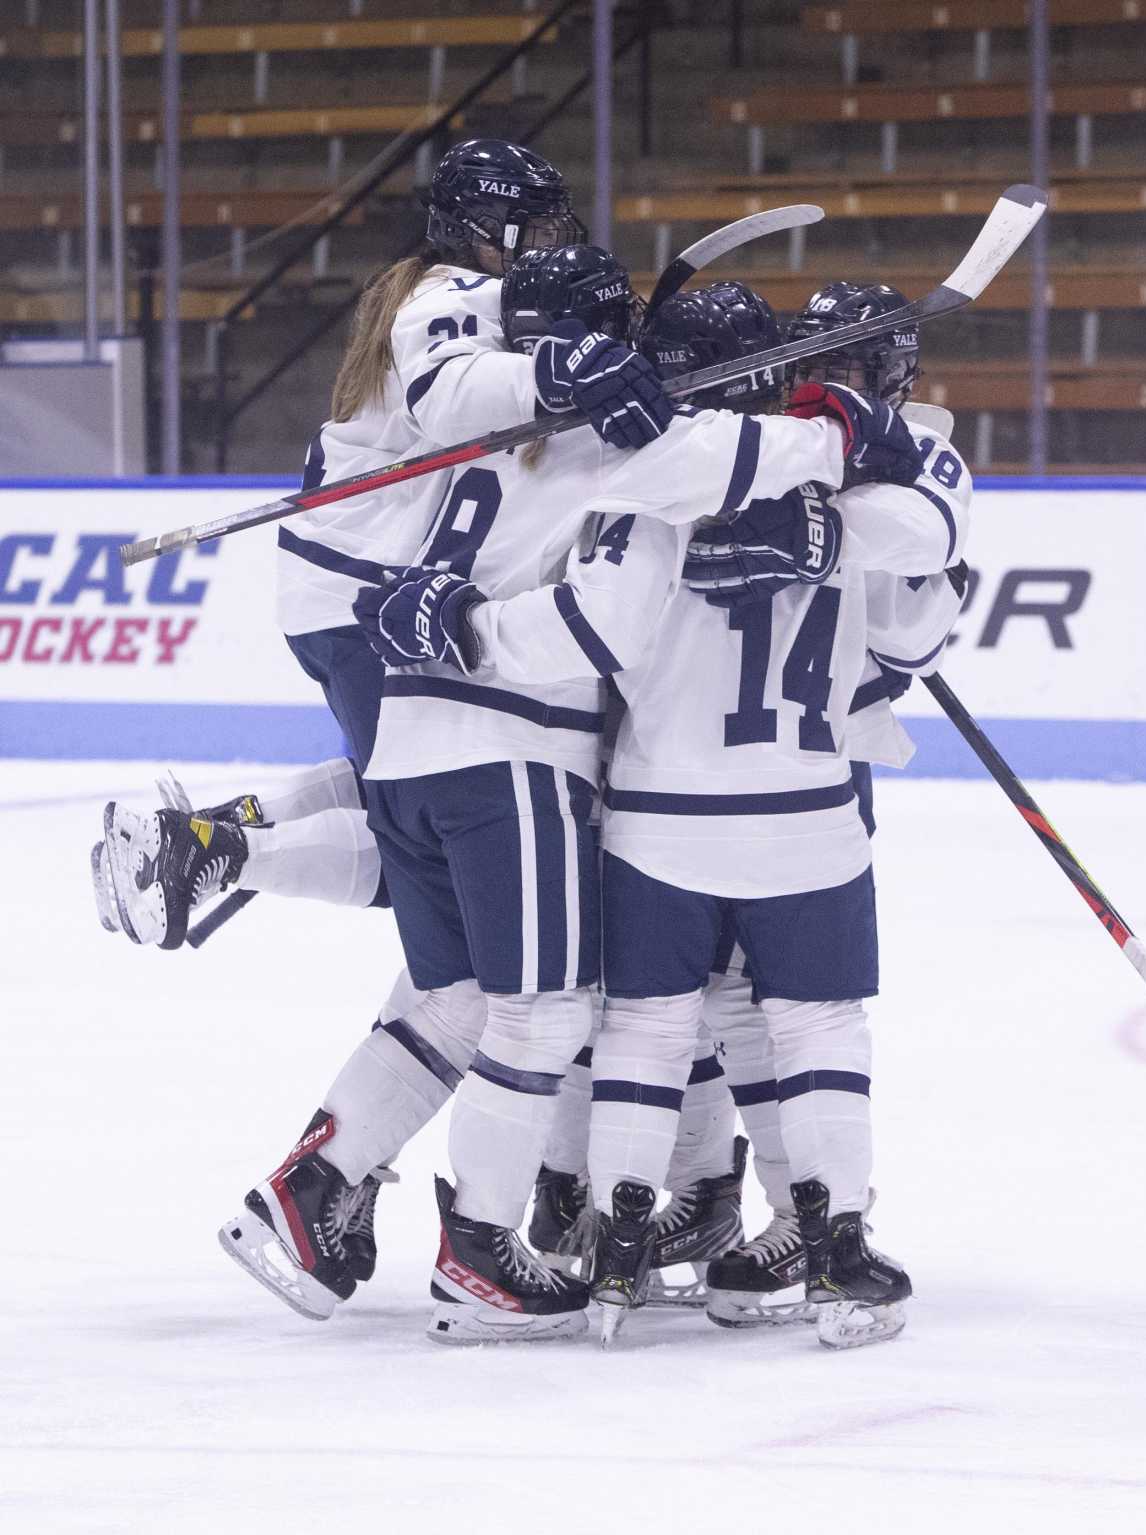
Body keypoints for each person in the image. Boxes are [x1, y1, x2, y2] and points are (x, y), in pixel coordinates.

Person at [95, 139, 672, 1326]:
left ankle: (229, 849)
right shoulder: (445, 297)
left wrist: (560, 361)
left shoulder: (450, 299)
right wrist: (567, 365)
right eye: (537, 223)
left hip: (361, 599)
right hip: (369, 604)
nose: (551, 239)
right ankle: (224, 848)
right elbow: (453, 399)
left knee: (420, 860)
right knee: (450, 875)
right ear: (488, 228)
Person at [382, 276, 967, 1348]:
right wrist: (838, 532)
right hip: (809, 810)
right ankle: (828, 1238)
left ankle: (617, 1249)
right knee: (813, 1027)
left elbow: (596, 628)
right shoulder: (886, 463)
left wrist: (462, 631)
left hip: (655, 814)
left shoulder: (646, 470)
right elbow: (918, 621)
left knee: (646, 1024)